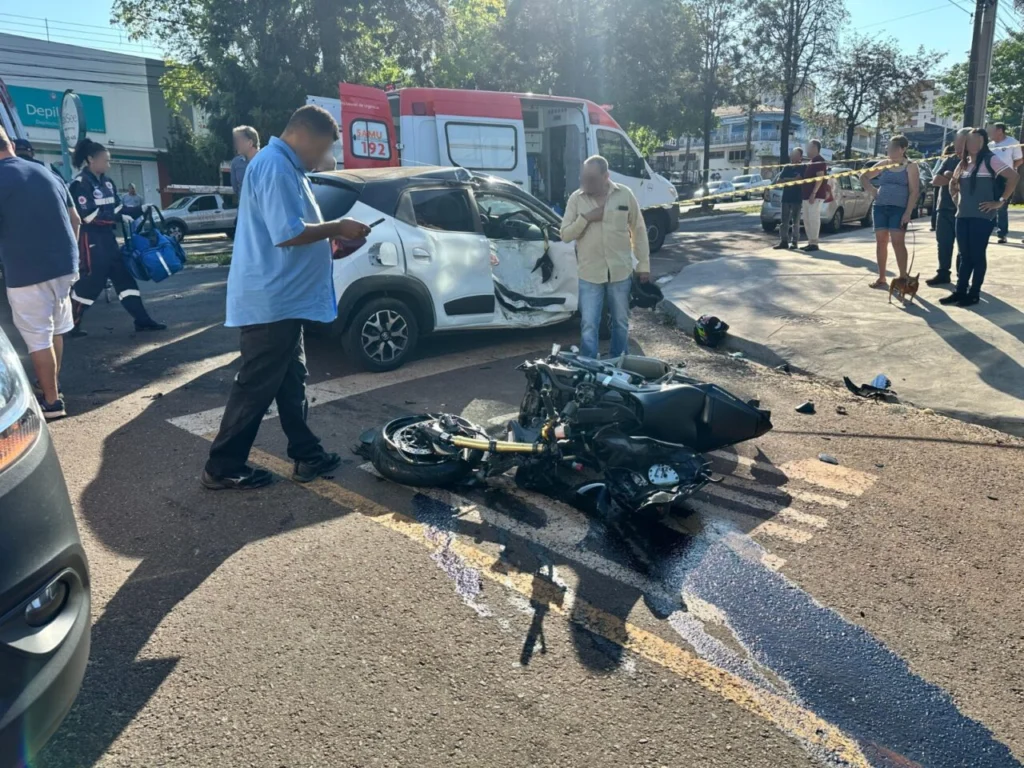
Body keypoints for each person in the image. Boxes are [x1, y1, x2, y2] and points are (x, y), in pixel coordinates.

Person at [202, 105, 371, 491]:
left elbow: (293, 231)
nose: (323, 158)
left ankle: (306, 453)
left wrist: (331, 238)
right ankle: (223, 466)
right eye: (323, 148)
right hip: (272, 301)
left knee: (291, 382)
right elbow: (287, 232)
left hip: (285, 301)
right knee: (256, 385)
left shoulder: (288, 168)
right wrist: (338, 226)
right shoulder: (276, 165)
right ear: (305, 135)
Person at [0, 125, 80, 419]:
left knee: (37, 337)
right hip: (64, 266)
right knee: (54, 329)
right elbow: (76, 219)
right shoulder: (47, 172)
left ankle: (51, 402)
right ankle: (52, 385)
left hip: (26, 271)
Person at [68, 138, 165, 335]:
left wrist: (139, 209)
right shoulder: (80, 184)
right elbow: (88, 217)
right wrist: (116, 217)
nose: (108, 165)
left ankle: (143, 320)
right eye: (105, 160)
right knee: (90, 285)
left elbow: (119, 208)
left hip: (109, 241)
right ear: (90, 159)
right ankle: (71, 325)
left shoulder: (108, 183)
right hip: (91, 241)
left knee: (125, 280)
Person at [559, 155, 650, 360]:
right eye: (583, 178)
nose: (585, 183)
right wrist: (587, 218)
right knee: (589, 324)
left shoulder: (624, 195)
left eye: (591, 178)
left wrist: (643, 265)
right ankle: (589, 364)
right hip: (590, 273)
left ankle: (619, 360)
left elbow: (638, 229)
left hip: (620, 271)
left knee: (620, 321)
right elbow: (565, 234)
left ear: (605, 176)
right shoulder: (576, 198)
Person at [940, 127, 1019, 307]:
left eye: (978, 141)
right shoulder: (963, 163)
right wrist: (956, 200)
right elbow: (953, 183)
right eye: (970, 141)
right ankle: (960, 291)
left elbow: (1013, 176)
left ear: (984, 143)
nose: (974, 144)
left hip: (982, 217)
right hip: (963, 216)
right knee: (964, 255)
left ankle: (974, 293)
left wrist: (1000, 201)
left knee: (976, 255)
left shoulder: (991, 160)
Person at [860, 135, 920, 289]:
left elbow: (914, 191)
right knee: (881, 242)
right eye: (888, 147)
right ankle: (881, 278)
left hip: (899, 209)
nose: (889, 150)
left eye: (893, 148)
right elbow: (864, 176)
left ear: (903, 149)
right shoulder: (884, 164)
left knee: (898, 243)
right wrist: (872, 190)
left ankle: (902, 277)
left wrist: (908, 212)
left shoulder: (911, 166)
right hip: (880, 207)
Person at [928, 129, 972, 287]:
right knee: (944, 242)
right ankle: (943, 273)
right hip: (945, 207)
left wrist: (950, 177)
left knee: (964, 245)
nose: (957, 145)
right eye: (957, 141)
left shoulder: (976, 161)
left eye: (961, 141)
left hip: (965, 210)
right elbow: (936, 181)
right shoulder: (950, 159)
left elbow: (970, 184)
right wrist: (951, 177)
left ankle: (963, 276)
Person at [987, 122, 1022, 243]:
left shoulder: (1012, 142)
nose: (989, 133)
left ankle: (1002, 233)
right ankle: (987, 230)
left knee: (1001, 204)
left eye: (992, 130)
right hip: (990, 177)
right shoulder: (989, 145)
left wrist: (1009, 171)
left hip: (1006, 178)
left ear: (1000, 131)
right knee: (988, 203)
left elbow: (1019, 159)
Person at [799, 140, 828, 252]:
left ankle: (814, 243)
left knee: (813, 218)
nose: (807, 149)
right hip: (807, 196)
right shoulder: (812, 161)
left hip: (814, 196)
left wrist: (813, 193)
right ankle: (810, 241)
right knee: (807, 219)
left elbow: (819, 178)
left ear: (815, 147)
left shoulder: (819, 160)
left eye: (809, 147)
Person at [774, 147, 804, 250]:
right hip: (786, 198)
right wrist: (792, 179)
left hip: (797, 198)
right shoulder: (786, 167)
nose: (793, 156)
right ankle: (783, 241)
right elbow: (779, 181)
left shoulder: (803, 167)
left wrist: (786, 180)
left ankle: (794, 242)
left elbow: (801, 181)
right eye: (792, 154)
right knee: (784, 222)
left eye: (795, 154)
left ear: (800, 157)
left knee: (795, 222)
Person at [230, 125, 260, 198]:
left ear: (250, 143)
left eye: (239, 141)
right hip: (243, 207)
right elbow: (235, 188)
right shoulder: (235, 162)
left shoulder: (266, 161)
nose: (236, 145)